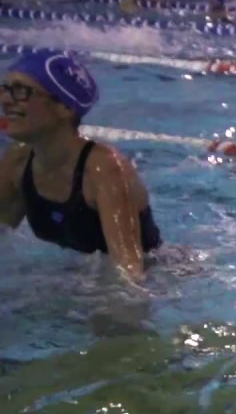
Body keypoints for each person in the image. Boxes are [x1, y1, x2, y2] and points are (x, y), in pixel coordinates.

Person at [0, 51, 162, 281]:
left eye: (21, 91)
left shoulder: (103, 169)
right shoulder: (18, 162)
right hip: (78, 277)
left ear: (65, 108)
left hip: (160, 278)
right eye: (5, 89)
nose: (5, 100)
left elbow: (130, 273)